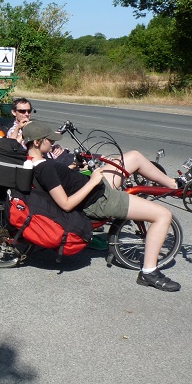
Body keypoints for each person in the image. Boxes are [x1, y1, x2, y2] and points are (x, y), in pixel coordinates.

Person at [22, 120, 181, 292]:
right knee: (163, 215)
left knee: (134, 156)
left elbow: (60, 180)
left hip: (98, 188)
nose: (53, 143)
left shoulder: (33, 162)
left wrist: (74, 168)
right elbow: (66, 205)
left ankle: (174, 184)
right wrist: (92, 181)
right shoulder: (45, 169)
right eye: (49, 140)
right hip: (99, 200)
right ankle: (149, 272)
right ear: (37, 142)